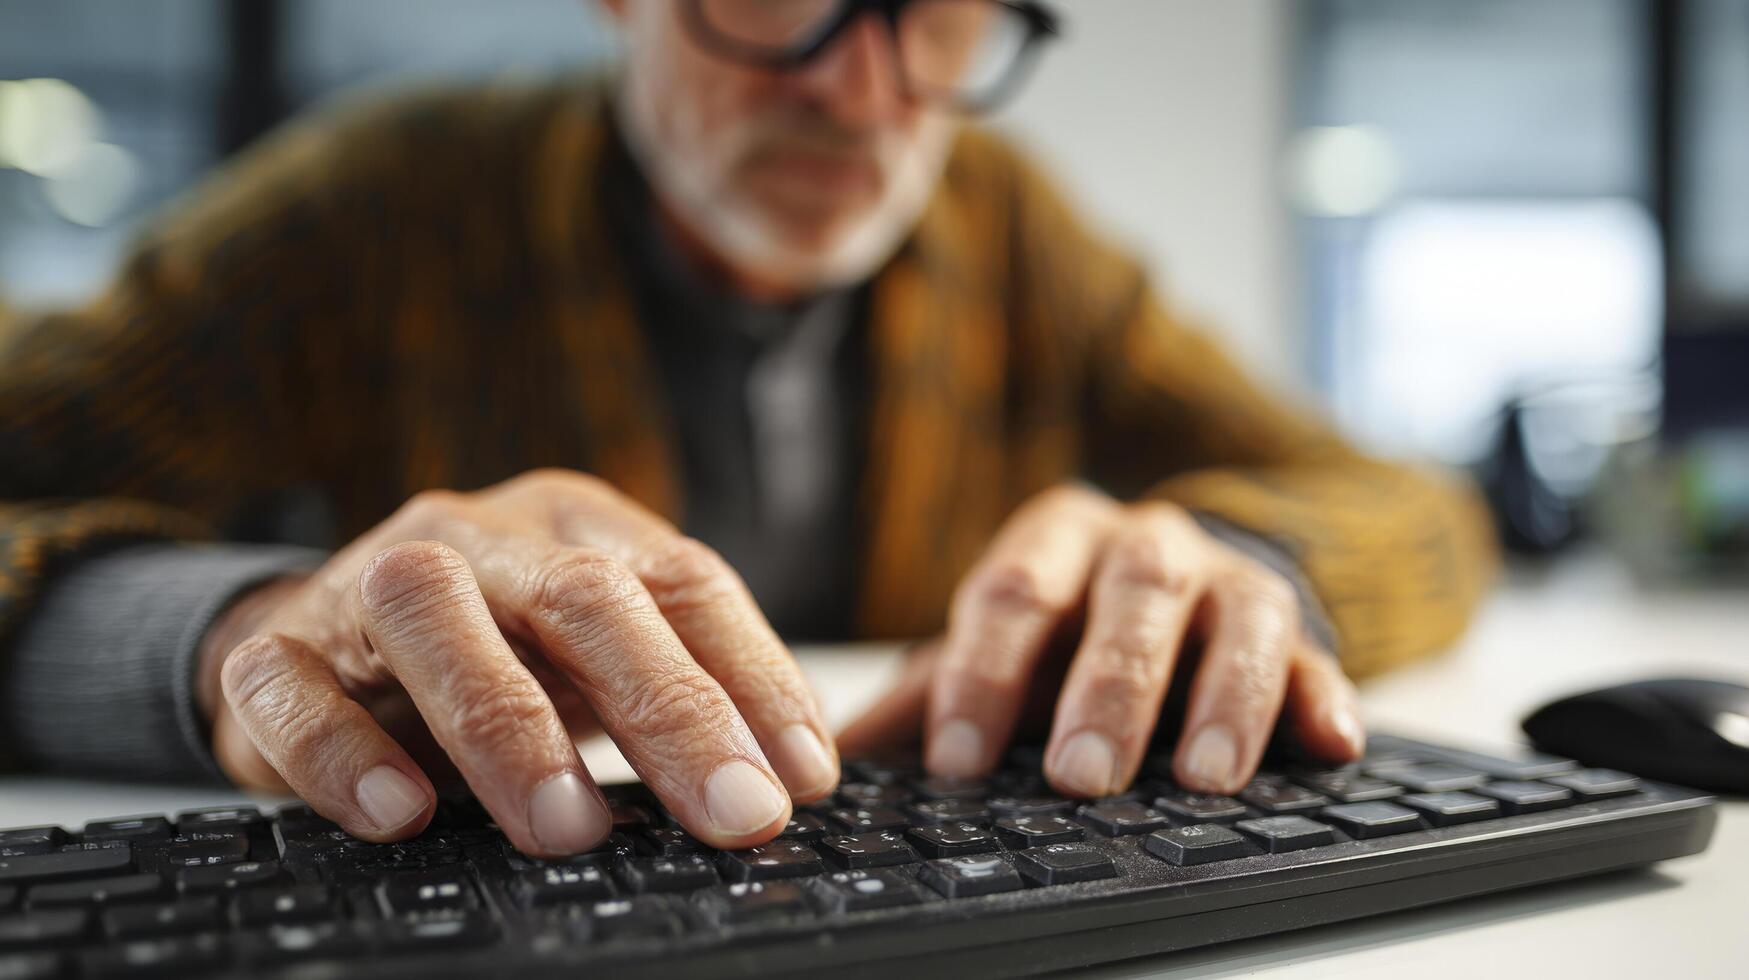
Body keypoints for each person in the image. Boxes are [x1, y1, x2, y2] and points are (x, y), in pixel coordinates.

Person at [0, 0, 1498, 859]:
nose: (867, 96)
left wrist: (1226, 565)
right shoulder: (375, 214)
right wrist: (222, 639)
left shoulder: (1011, 233)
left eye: (941, 13)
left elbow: (1407, 503)